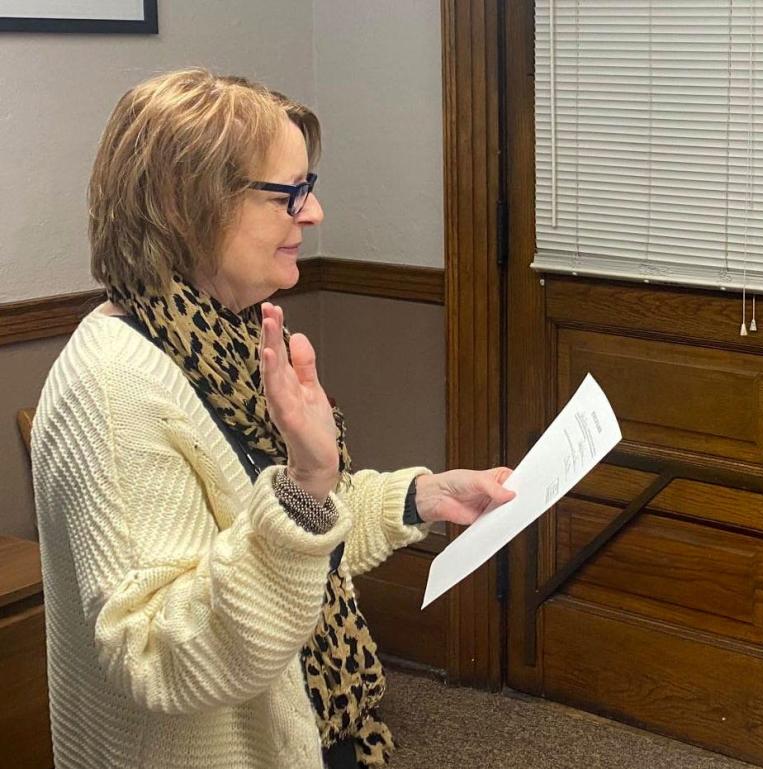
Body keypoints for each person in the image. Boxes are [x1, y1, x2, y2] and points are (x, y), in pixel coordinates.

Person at [31, 69, 516, 769]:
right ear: (186, 203)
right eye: (290, 192)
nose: (314, 213)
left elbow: (286, 525)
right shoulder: (112, 389)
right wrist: (308, 485)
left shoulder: (218, 333)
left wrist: (423, 497)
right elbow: (155, 654)